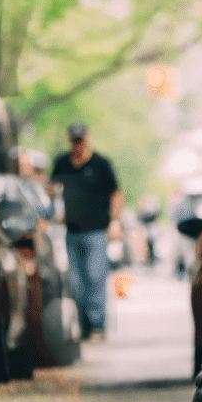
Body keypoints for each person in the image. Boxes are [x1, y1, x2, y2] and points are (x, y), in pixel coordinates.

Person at [50, 124, 123, 341]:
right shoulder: (62, 162)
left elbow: (116, 194)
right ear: (69, 140)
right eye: (74, 140)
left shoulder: (101, 164)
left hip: (96, 231)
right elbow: (52, 189)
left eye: (81, 140)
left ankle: (97, 326)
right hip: (71, 231)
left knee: (95, 277)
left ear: (87, 139)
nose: (78, 144)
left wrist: (115, 222)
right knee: (75, 282)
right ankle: (83, 326)